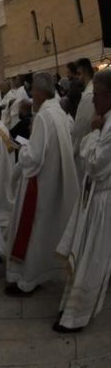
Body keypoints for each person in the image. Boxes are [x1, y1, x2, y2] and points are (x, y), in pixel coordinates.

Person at [5, 73, 79, 297]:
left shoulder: (43, 117)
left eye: (33, 92)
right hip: (53, 181)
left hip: (38, 184)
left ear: (38, 93)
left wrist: (23, 148)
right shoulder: (58, 112)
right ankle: (39, 274)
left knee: (33, 232)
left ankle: (27, 280)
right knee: (44, 231)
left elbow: (34, 156)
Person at [55, 69, 111, 333]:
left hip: (103, 203)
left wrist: (94, 133)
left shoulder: (106, 126)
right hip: (94, 198)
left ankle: (77, 316)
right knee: (85, 257)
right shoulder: (105, 120)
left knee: (92, 260)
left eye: (97, 95)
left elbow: (96, 164)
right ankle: (70, 309)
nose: (94, 100)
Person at [71, 58, 95, 182]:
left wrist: (72, 152)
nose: (76, 78)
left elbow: (80, 131)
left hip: (85, 153)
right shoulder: (90, 92)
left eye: (77, 74)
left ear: (82, 73)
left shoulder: (88, 96)